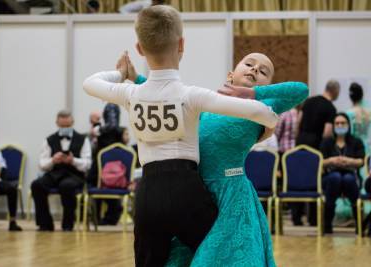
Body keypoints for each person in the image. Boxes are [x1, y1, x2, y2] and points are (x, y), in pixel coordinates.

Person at [83, 5, 279, 266]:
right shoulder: (192, 95)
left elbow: (90, 83)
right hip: (188, 190)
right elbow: (262, 112)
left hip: (148, 194)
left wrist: (120, 74)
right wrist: (267, 128)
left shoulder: (130, 94)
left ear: (140, 49)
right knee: (214, 256)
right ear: (182, 45)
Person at [125, 51, 308, 266]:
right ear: (231, 74)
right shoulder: (207, 104)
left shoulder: (263, 106)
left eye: (263, 71)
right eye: (249, 64)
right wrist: (135, 77)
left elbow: (301, 90)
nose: (255, 69)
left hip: (232, 197)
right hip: (194, 194)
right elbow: (168, 99)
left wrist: (254, 94)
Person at [31, 110, 91, 231]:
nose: (65, 128)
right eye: (62, 126)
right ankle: (45, 223)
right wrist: (53, 160)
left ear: (72, 123)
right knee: (37, 185)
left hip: (75, 175)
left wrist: (73, 160)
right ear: (57, 123)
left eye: (68, 126)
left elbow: (87, 164)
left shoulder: (83, 139)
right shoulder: (49, 140)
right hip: (54, 173)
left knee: (66, 186)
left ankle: (68, 224)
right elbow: (42, 164)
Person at [295, 79, 340, 226]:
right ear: (335, 91)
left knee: (298, 179)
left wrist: (299, 139)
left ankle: (296, 217)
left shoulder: (309, 101)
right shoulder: (331, 108)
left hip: (301, 141)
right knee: (314, 181)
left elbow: (298, 122)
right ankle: (313, 218)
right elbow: (327, 133)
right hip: (315, 145)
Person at [320, 113, 365, 234]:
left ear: (348, 125)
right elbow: (320, 161)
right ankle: (327, 223)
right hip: (330, 177)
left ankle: (359, 224)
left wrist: (348, 161)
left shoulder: (356, 141)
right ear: (334, 126)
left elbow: (361, 161)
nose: (340, 125)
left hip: (350, 175)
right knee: (335, 177)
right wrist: (331, 160)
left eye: (343, 123)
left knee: (348, 179)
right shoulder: (327, 142)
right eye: (337, 123)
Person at [346, 82, 370, 155]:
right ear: (362, 96)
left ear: (350, 97)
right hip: (367, 145)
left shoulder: (348, 113)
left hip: (354, 146)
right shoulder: (368, 112)